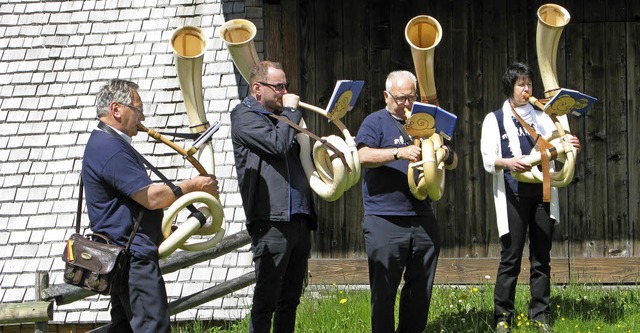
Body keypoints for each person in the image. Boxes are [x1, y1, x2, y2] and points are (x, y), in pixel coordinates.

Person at [82, 79, 219, 333]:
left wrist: (164, 227)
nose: (142, 116)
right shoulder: (109, 147)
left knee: (125, 328)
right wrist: (193, 186)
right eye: (138, 108)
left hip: (123, 257)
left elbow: (130, 205)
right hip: (133, 260)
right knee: (153, 328)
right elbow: (151, 197)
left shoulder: (106, 143)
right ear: (116, 109)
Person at [480, 63, 581, 333]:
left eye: (529, 84)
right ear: (510, 88)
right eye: (521, 84)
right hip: (513, 194)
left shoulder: (544, 116)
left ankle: (540, 315)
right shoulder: (494, 119)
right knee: (510, 257)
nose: (527, 89)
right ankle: (502, 317)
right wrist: (509, 162)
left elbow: (557, 147)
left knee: (541, 257)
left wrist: (569, 145)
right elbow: (488, 160)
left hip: (543, 192)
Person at [355, 70, 457, 332]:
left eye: (411, 97)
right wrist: (398, 152)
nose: (407, 104)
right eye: (401, 98)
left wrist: (444, 153)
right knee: (384, 292)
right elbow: (362, 155)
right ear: (386, 96)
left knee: (421, 290)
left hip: (422, 216)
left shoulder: (426, 120)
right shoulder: (374, 122)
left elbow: (454, 159)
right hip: (384, 218)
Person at [230, 60, 317, 333]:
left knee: (290, 299)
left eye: (285, 86)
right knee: (267, 299)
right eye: (279, 86)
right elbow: (277, 145)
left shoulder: (282, 118)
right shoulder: (244, 116)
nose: (285, 91)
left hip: (298, 216)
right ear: (258, 88)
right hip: (271, 219)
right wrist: (291, 110)